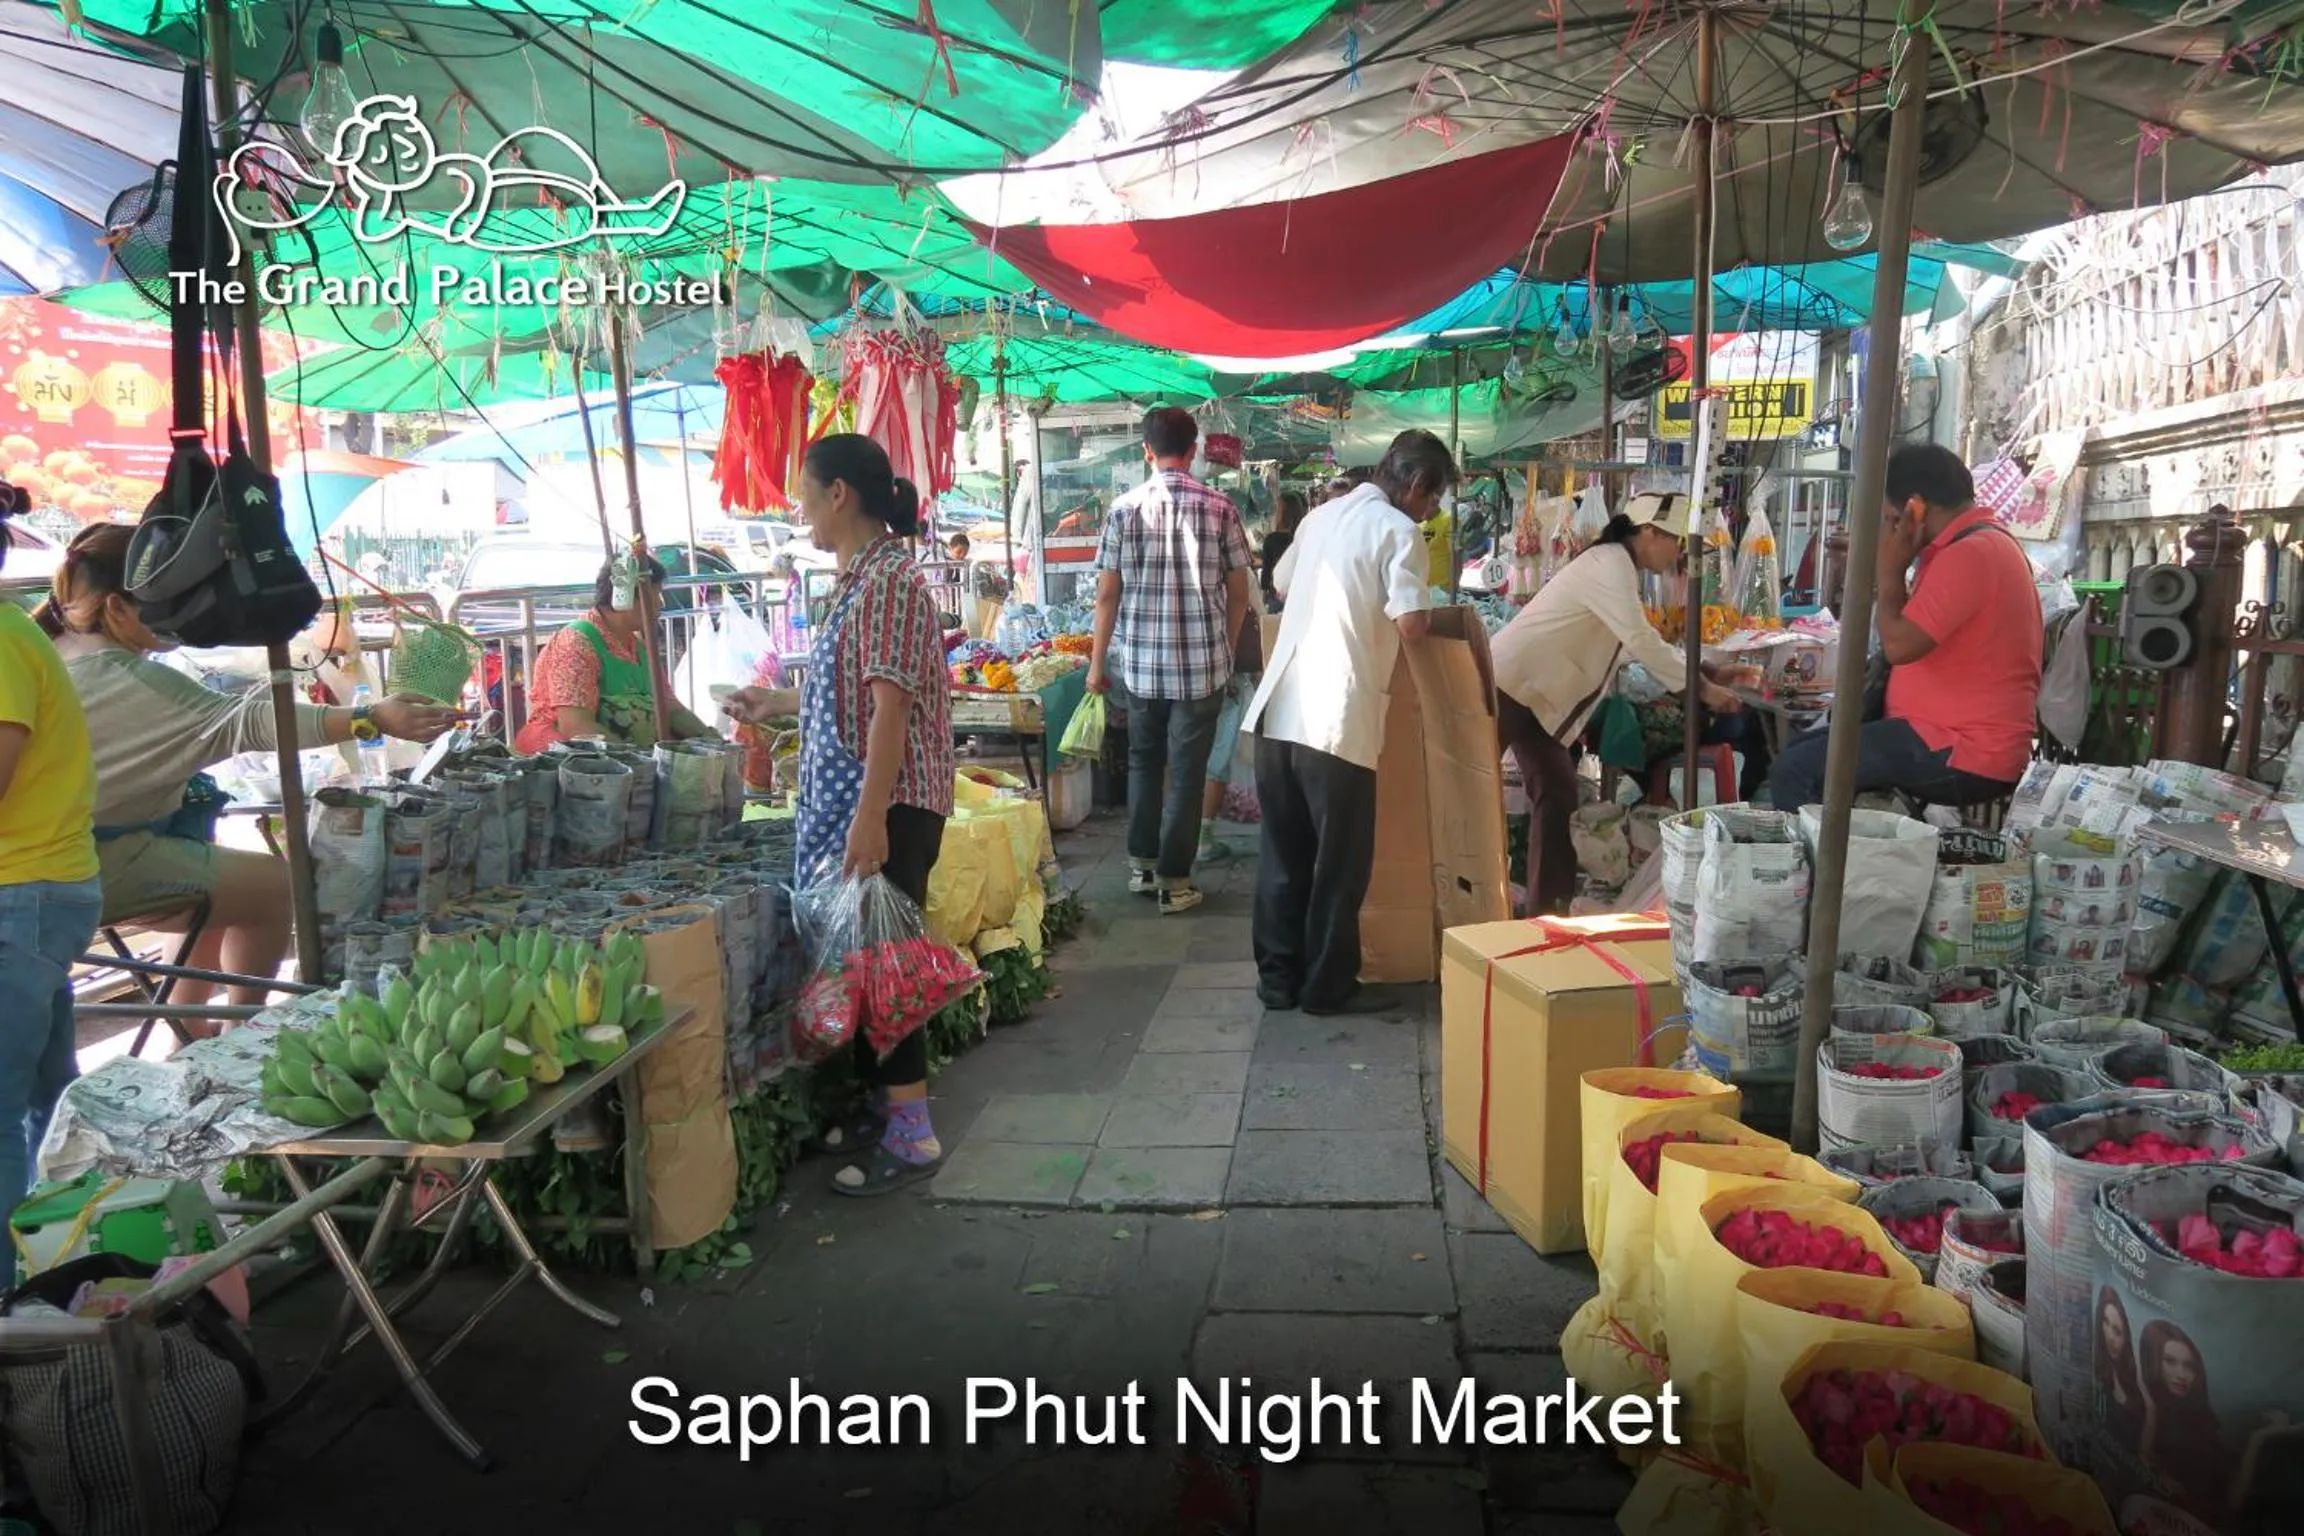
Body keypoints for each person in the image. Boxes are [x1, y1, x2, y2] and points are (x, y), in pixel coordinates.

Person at [37, 525, 460, 1011]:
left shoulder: (51, 651)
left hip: (65, 856)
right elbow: (259, 723)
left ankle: (188, 1029)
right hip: (84, 864)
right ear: (115, 608)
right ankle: (244, 1028)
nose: (185, 618)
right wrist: (370, 718)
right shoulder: (130, 681)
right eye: (171, 604)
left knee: (219, 882)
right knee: (271, 886)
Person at [723, 434, 955, 1196]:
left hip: (886, 804)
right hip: (861, 802)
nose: (797, 510)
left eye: (802, 493)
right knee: (860, 962)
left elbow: (890, 711)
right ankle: (878, 1109)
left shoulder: (889, 583)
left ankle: (913, 1135)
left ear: (839, 496)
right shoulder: (860, 580)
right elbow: (852, 691)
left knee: (887, 969)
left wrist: (871, 818)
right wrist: (777, 702)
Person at [1245, 430, 1452, 1014]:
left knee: (1283, 854)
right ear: (1415, 485)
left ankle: (1277, 980)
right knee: (1339, 864)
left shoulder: (1323, 515)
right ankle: (1326, 987)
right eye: (1433, 498)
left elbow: (1282, 583)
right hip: (1336, 722)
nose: (1431, 511)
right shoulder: (1398, 531)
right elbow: (1412, 624)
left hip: (1279, 711)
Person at [1486, 493, 1755, 917]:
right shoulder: (1610, 563)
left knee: (1556, 794)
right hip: (1512, 686)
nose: (1678, 554)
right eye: (1675, 542)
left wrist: (1704, 671)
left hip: (1534, 696)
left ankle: (1545, 909)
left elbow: (1634, 643)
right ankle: (1481, 895)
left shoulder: (1616, 566)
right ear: (1648, 532)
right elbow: (1640, 641)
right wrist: (1702, 690)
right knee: (1479, 794)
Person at [1767, 444, 2042, 812]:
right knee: (1802, 749)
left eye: (1888, 517)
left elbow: (1899, 645)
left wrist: (1890, 571)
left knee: (1796, 770)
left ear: (1914, 509)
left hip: (1963, 747)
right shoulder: (1969, 547)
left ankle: (1810, 870)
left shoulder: (1972, 554)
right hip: (1938, 733)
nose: (1886, 528)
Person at [1086, 408, 1254, 914]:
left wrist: (1097, 664)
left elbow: (1106, 596)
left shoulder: (1122, 510)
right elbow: (1240, 593)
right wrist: (1223, 651)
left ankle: (1142, 865)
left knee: (1143, 763)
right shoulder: (1220, 507)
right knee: (1187, 772)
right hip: (1202, 668)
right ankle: (1175, 883)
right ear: (1195, 448)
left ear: (1146, 451)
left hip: (1140, 668)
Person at [0, 483, 101, 1237]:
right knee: (43, 1097)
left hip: (21, 894)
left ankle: (12, 1318)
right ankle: (54, 1274)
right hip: (34, 892)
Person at [512, 553, 719, 754]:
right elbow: (576, 728)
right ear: (624, 596)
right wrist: (641, 760)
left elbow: (670, 706)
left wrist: (711, 740)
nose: (660, 606)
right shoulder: (575, 644)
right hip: (570, 759)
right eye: (655, 595)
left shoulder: (637, 647)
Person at [2138, 1318, 2285, 1523]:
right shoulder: (2149, 1414)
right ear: (2153, 1361)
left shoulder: (2196, 1422)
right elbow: (2144, 1461)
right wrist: (2151, 1410)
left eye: (2189, 1366)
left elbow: (2230, 1502)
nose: (2182, 1375)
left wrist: (2260, 1438)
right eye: (2170, 1361)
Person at [2095, 1286, 2146, 1458]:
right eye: (2105, 1322)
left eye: (2117, 1331)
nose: (2109, 1336)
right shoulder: (2098, 1363)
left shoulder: (2137, 1384)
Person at [1260, 490, 1307, 612]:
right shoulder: (1305, 536)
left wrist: (1264, 598)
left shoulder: (1272, 540)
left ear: (1283, 513)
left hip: (1277, 596)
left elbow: (1265, 577)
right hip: (1301, 596)